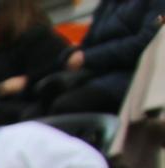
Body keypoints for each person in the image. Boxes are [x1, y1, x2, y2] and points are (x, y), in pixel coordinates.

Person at [34, 0, 165, 115]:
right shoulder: (109, 3)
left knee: (66, 106)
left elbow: (145, 43)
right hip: (97, 73)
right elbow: (89, 41)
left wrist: (87, 58)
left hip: (130, 76)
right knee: (38, 106)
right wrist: (72, 56)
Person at [0, 0, 76, 125]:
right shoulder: (0, 48)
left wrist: (20, 85)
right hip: (4, 108)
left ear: (8, 15)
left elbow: (45, 84)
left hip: (31, 114)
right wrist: (0, 88)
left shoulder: (41, 40)